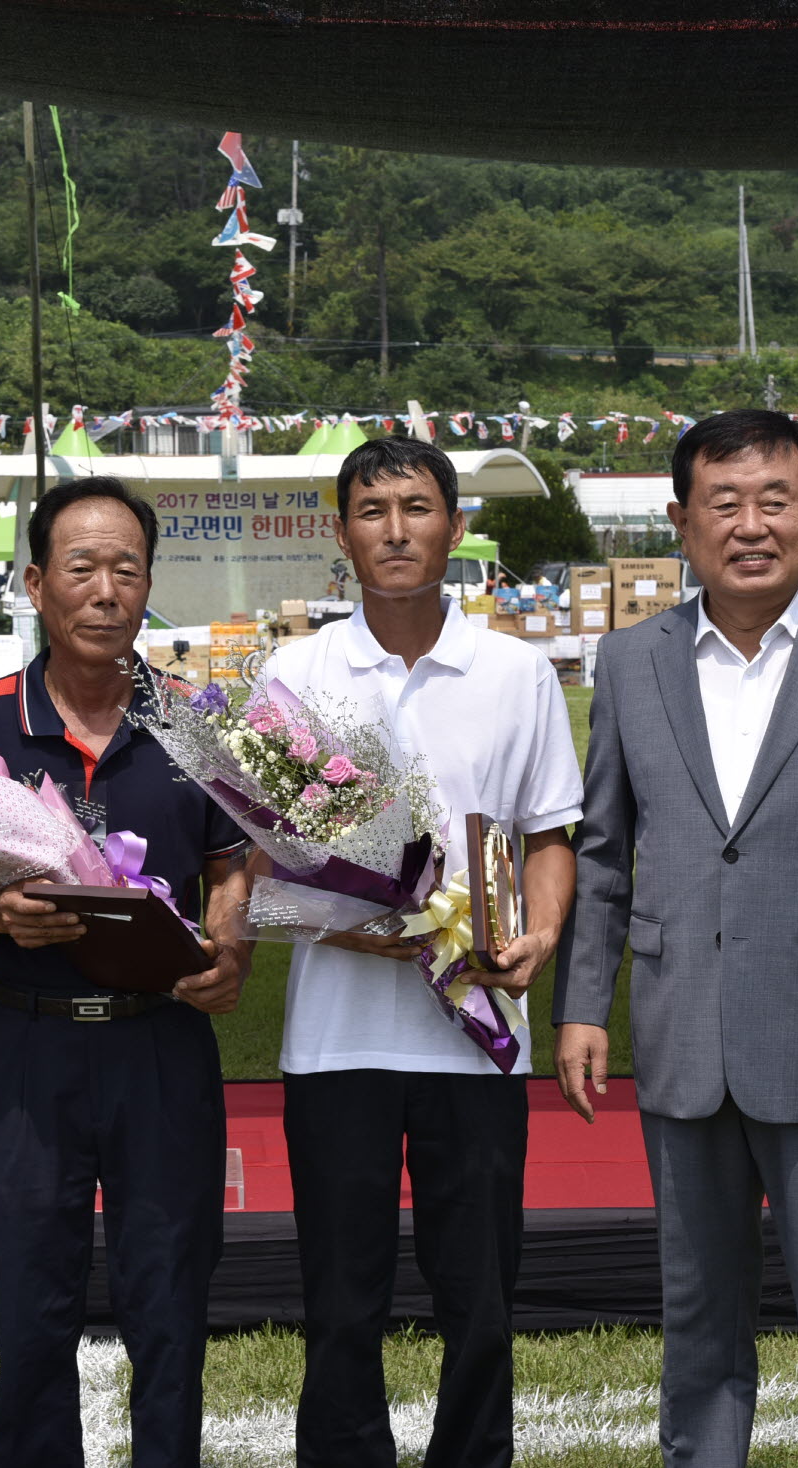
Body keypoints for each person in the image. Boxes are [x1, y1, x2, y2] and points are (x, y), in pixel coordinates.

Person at [555, 410, 798, 1468]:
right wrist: (585, 1004)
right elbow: (602, 851)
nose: (750, 525)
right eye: (723, 503)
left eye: (774, 500)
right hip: (683, 1040)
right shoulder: (629, 661)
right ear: (680, 521)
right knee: (698, 1319)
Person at [0, 477, 253, 1468]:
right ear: (34, 583)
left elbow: (232, 862)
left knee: (171, 1302)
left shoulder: (199, 722)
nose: (105, 591)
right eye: (80, 568)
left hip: (161, 1047)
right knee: (29, 1303)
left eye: (126, 569)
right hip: (27, 1049)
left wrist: (231, 945)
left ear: (150, 585)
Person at [261, 437, 582, 1467]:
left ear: (454, 522)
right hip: (337, 1040)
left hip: (477, 1037)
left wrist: (537, 936)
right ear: (340, 528)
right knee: (341, 1301)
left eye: (415, 506)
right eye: (370, 509)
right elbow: (267, 852)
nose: (394, 530)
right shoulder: (296, 670)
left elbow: (547, 837)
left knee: (479, 1298)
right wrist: (344, 916)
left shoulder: (516, 672)